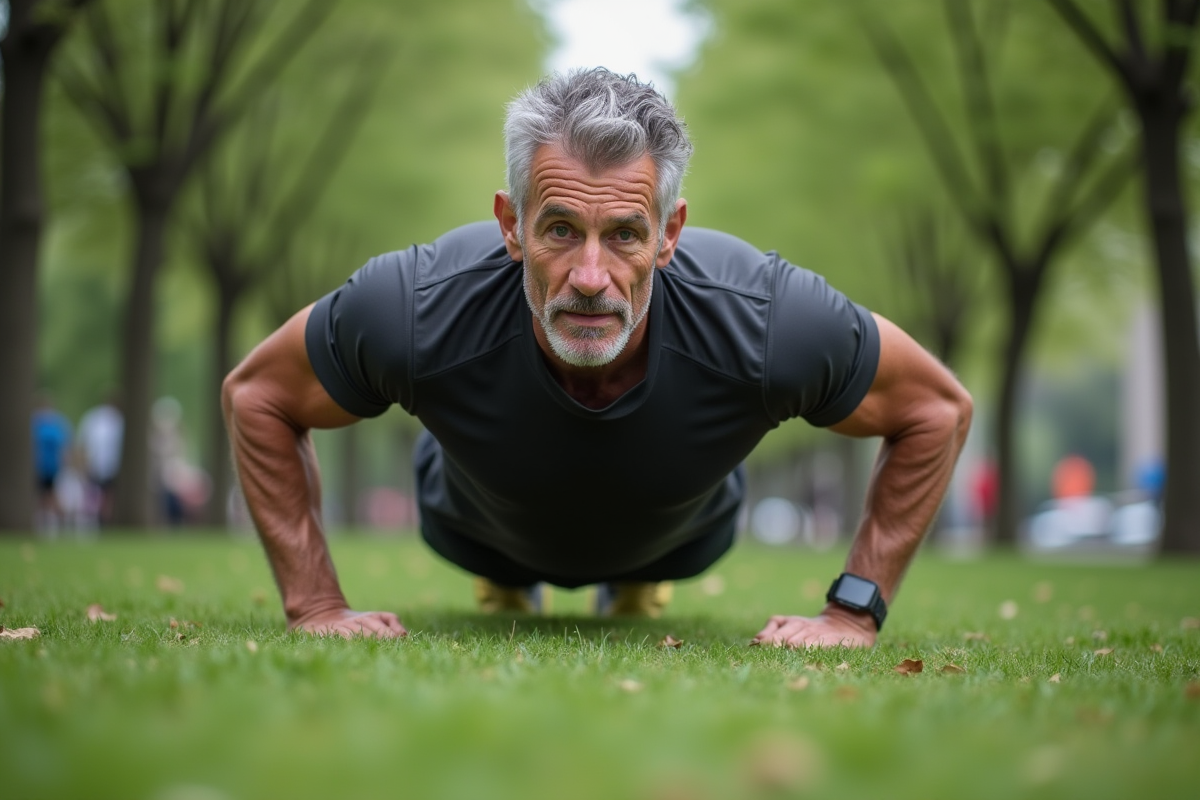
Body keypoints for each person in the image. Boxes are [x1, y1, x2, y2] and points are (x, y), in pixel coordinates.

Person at [223, 68, 972, 646]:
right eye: (557, 231)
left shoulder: (770, 319)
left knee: (650, 554)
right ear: (509, 225)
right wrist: (315, 603)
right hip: (475, 527)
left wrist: (852, 613)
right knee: (499, 552)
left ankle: (638, 579)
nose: (589, 277)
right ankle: (506, 578)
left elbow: (935, 409)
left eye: (623, 234)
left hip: (678, 537)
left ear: (670, 233)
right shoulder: (414, 305)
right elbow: (258, 395)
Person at [76, 396, 124, 525]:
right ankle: (99, 521)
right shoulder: (99, 419)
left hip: (105, 466)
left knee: (104, 495)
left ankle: (103, 521)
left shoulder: (93, 418)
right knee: (101, 496)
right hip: (100, 465)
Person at [32, 394, 72, 533]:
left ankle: (60, 522)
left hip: (49, 467)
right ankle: (48, 524)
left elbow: (65, 447)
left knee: (48, 496)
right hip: (42, 467)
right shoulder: (40, 423)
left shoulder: (54, 424)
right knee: (44, 497)